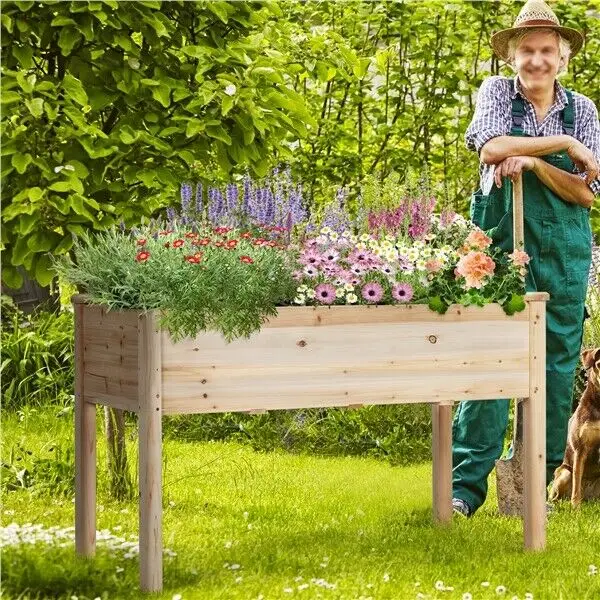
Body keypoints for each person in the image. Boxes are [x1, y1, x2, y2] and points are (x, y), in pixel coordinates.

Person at [452, 0, 600, 517]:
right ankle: (464, 490)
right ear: (513, 57)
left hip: (564, 250)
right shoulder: (496, 93)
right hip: (498, 242)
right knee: (490, 357)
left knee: (557, 368)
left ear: (562, 58)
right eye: (527, 51)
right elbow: (491, 148)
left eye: (547, 51)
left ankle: (530, 484)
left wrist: (537, 163)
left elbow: (585, 194)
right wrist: (562, 145)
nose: (537, 60)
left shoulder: (583, 109)